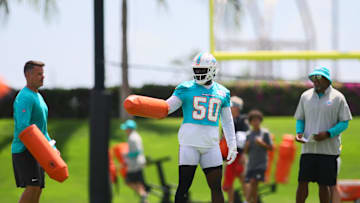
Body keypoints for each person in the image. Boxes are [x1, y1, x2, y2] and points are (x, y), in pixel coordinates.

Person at [166, 52, 237, 203]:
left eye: (201, 70)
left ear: (212, 70)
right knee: (184, 187)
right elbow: (167, 107)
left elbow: (227, 121)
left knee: (216, 188)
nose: (198, 73)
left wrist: (232, 144)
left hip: (211, 146)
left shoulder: (223, 92)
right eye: (196, 70)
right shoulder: (185, 88)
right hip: (189, 145)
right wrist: (147, 107)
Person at [294, 67, 352, 203]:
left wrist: (328, 133)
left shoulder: (338, 97)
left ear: (327, 80)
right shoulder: (305, 96)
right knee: (302, 182)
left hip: (329, 150)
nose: (316, 81)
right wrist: (299, 132)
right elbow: (300, 118)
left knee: (324, 184)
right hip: (308, 148)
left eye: (319, 78)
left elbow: (344, 122)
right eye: (314, 78)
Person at [12, 60, 58, 203]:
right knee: (32, 187)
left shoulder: (38, 97)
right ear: (28, 75)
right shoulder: (24, 97)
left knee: (37, 188)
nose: (42, 77)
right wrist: (42, 148)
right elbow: (23, 127)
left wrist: (52, 148)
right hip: (25, 150)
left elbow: (42, 129)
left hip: (39, 151)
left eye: (42, 74)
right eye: (39, 74)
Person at [222, 96, 249, 203]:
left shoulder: (242, 121)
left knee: (243, 179)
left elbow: (245, 140)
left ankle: (248, 201)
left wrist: (243, 155)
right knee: (229, 181)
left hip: (239, 155)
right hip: (229, 156)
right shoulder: (227, 120)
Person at [244, 110, 273, 203]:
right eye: (253, 121)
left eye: (257, 120)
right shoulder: (248, 134)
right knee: (254, 186)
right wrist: (247, 146)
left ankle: (246, 201)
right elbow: (246, 152)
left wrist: (262, 143)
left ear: (260, 121)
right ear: (250, 122)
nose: (255, 122)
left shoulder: (265, 133)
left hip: (261, 164)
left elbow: (271, 148)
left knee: (253, 182)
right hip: (251, 164)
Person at [121, 119, 148, 203]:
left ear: (129, 129)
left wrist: (126, 155)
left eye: (126, 128)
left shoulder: (132, 138)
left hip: (134, 164)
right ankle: (144, 198)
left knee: (128, 181)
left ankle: (143, 194)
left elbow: (136, 152)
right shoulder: (136, 136)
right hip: (139, 162)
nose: (125, 130)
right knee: (138, 182)